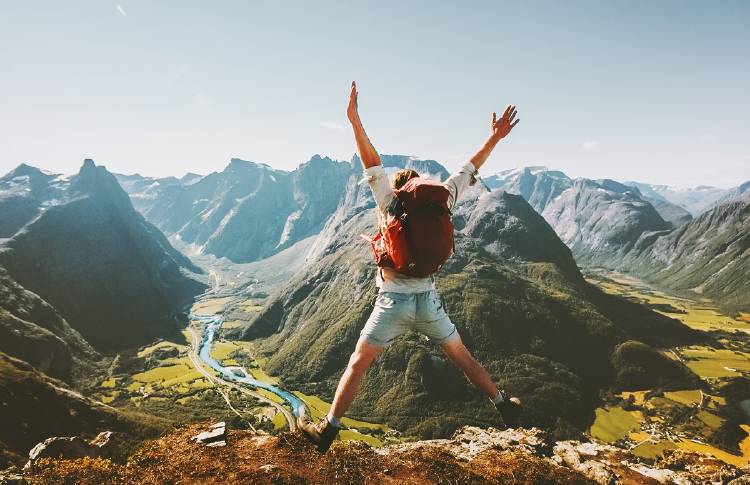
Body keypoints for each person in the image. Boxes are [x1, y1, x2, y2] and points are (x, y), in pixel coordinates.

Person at [298, 82, 522, 452]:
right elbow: (471, 167)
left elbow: (370, 160)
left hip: (392, 303)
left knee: (358, 363)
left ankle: (327, 430)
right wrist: (495, 137)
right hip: (428, 301)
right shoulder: (443, 197)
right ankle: (504, 405)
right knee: (462, 356)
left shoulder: (390, 202)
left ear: (401, 187)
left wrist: (354, 121)